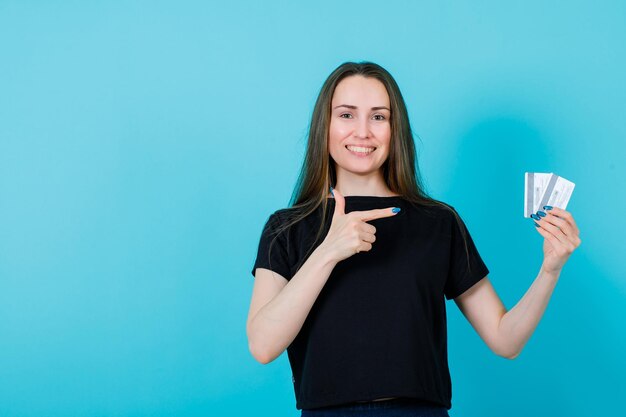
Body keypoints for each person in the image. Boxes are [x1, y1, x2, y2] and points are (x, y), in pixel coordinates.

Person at [247, 61, 581, 417]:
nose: (362, 132)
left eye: (378, 117)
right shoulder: (286, 227)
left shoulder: (439, 222)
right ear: (324, 126)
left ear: (395, 129)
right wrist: (328, 252)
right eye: (346, 115)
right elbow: (263, 345)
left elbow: (505, 340)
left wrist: (550, 270)